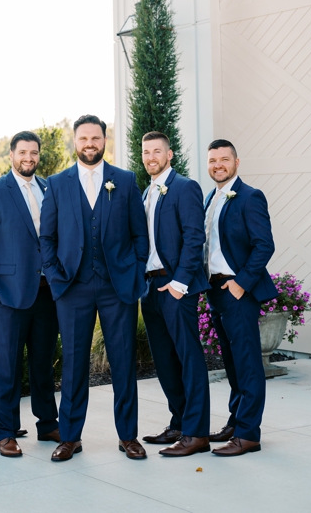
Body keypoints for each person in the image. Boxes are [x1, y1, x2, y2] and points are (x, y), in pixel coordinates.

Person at [38, 114, 149, 462]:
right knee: (73, 365)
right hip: (73, 289)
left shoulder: (125, 181)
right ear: (76, 142)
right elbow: (47, 238)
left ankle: (127, 436)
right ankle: (70, 437)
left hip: (118, 288)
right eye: (84, 139)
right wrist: (58, 281)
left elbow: (139, 235)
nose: (90, 144)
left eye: (96, 138)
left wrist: (135, 271)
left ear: (104, 140)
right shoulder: (57, 184)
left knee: (123, 362)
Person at [0, 130, 60, 458]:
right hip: (7, 296)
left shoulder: (50, 188)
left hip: (47, 294)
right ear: (11, 155)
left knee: (43, 364)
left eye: (34, 153)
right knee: (6, 366)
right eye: (23, 152)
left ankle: (48, 423)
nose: (29, 158)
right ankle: (5, 432)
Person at [138, 132, 212, 457]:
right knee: (165, 360)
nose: (151, 156)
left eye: (157, 151)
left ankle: (197, 433)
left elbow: (195, 238)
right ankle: (179, 422)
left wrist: (180, 284)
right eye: (146, 152)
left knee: (188, 358)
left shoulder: (185, 187)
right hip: (150, 287)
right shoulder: (146, 193)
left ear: (170, 155)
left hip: (176, 286)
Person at [203, 139, 277, 456]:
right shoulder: (210, 197)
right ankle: (236, 421)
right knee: (232, 363)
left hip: (238, 292)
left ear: (236, 162)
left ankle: (248, 434)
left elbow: (264, 245)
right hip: (215, 291)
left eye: (224, 159)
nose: (218, 165)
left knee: (247, 363)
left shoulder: (250, 197)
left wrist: (240, 284)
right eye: (213, 160)